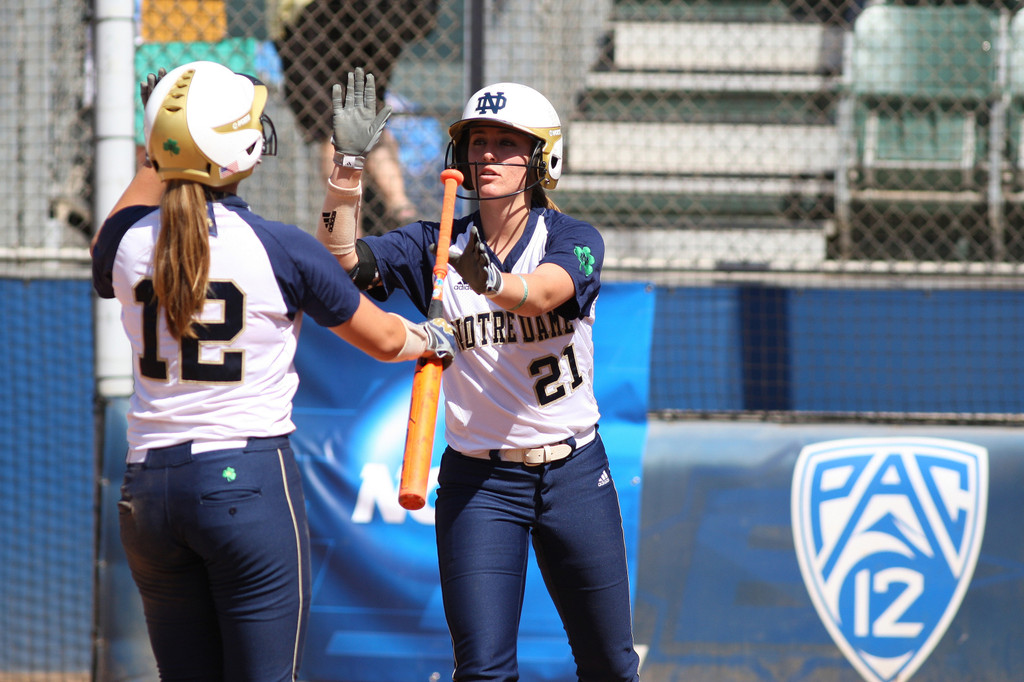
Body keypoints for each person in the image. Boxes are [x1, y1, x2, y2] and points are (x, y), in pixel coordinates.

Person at [90, 61, 454, 681]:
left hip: (148, 489)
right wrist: (432, 336)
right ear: (241, 151)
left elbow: (125, 226)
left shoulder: (124, 243)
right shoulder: (277, 247)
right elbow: (387, 338)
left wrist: (160, 148)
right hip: (245, 482)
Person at [317, 70, 642, 681]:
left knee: (610, 664)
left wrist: (491, 282)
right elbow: (340, 262)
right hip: (481, 480)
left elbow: (543, 293)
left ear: (543, 161)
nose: (487, 155)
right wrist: (349, 169)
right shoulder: (434, 243)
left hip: (574, 472)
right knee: (484, 671)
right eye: (477, 141)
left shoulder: (572, 237)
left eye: (507, 143)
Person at [272, 0, 440, 235]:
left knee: (333, 130)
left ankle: (350, 228)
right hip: (375, 14)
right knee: (364, 120)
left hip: (318, 18)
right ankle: (399, 205)